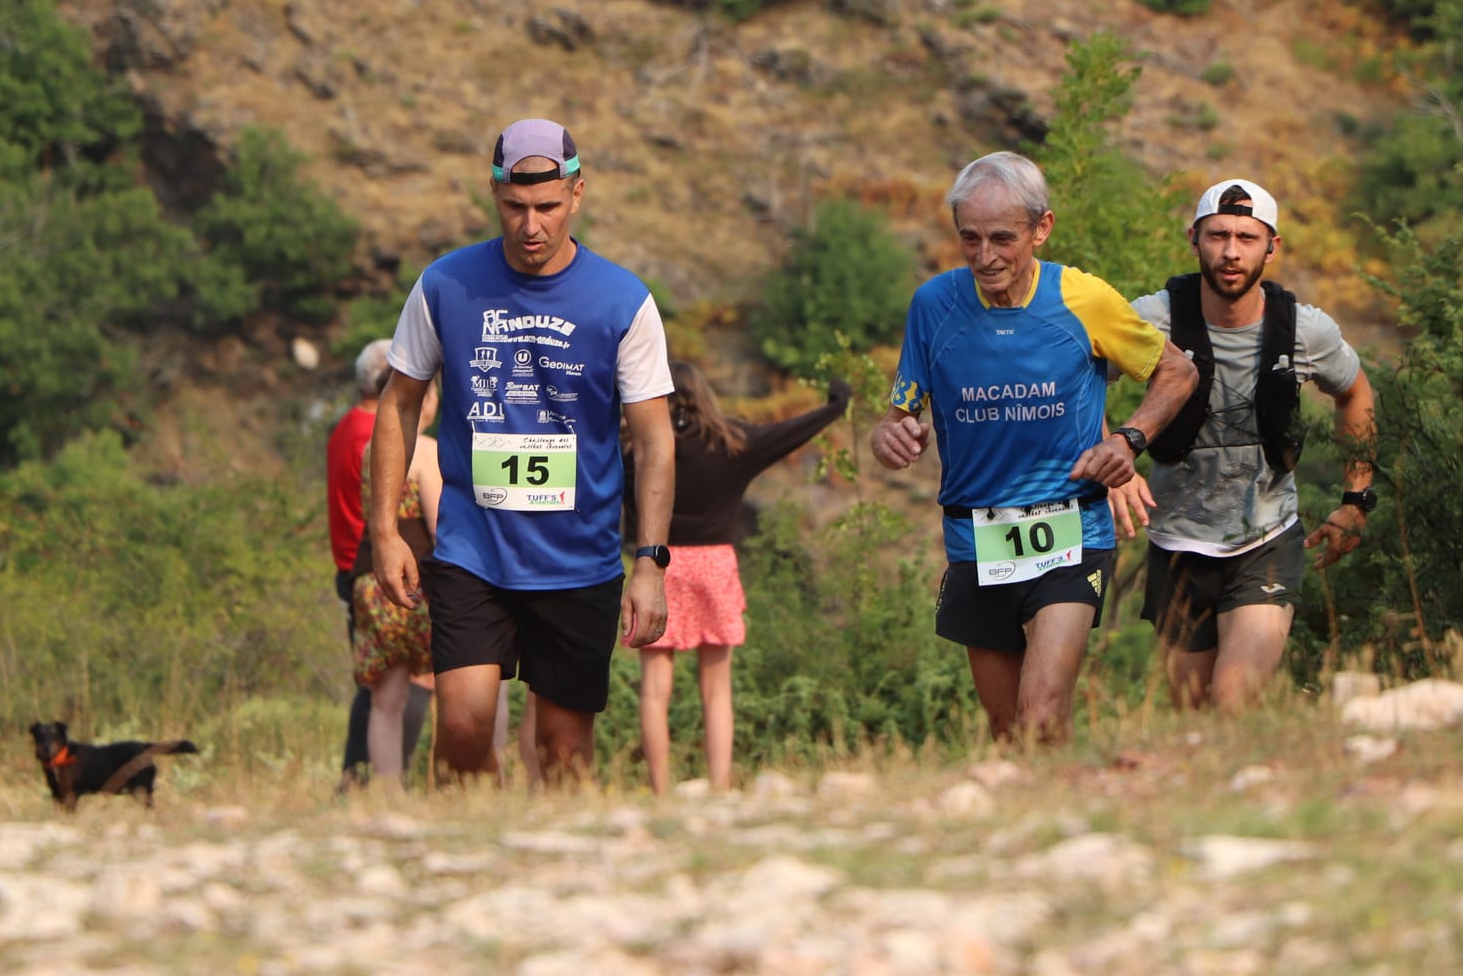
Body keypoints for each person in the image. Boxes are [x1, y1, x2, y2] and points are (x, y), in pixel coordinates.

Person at [367, 117, 675, 786]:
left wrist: (650, 561)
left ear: (577, 194)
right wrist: (383, 530)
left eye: (547, 207)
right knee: (463, 724)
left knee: (563, 750)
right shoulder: (445, 285)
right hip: (473, 550)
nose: (530, 225)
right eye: (514, 207)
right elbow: (398, 404)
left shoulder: (624, 301)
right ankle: (470, 837)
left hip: (579, 558)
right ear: (494, 196)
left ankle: (547, 850)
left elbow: (655, 439)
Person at [870, 151, 1197, 744]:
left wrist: (1129, 440)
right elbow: (896, 418)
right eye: (970, 238)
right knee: (1007, 731)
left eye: (1003, 238)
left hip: (1072, 531)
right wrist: (891, 437)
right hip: (976, 538)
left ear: (1041, 228)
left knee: (1042, 714)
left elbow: (1177, 372)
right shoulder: (933, 306)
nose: (985, 256)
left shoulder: (1082, 298)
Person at [1110, 179, 1376, 711]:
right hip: (1177, 542)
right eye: (1218, 235)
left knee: (1233, 703)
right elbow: (1078, 382)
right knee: (1191, 710)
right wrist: (1112, 463)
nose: (1231, 252)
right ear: (1194, 239)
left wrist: (1356, 499)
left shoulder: (1303, 330)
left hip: (1267, 538)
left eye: (1247, 238)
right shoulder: (1154, 320)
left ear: (1272, 247)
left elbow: (1355, 393)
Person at [629, 362, 851, 794]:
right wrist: (835, 406)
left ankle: (659, 791)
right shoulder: (732, 442)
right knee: (717, 690)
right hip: (714, 567)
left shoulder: (634, 449)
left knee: (654, 690)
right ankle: (720, 787)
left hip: (657, 568)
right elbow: (789, 432)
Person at [326, 338, 429, 791]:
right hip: (381, 561)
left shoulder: (344, 429)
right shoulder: (379, 434)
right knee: (407, 683)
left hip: (356, 563)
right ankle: (377, 777)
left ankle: (366, 780)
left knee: (379, 684)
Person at [349, 378, 443, 786]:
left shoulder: (373, 449)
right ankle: (450, 782)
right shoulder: (425, 450)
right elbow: (440, 525)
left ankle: (388, 789)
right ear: (427, 400)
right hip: (413, 581)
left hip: (371, 577)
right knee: (442, 681)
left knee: (385, 698)